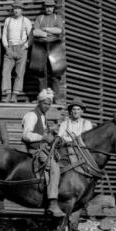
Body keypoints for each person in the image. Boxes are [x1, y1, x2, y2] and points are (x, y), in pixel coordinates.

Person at [21, 88, 65, 217]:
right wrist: (44, 137)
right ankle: (52, 202)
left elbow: (43, 132)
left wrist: (53, 134)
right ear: (39, 102)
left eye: (49, 104)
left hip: (43, 148)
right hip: (35, 150)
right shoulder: (32, 115)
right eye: (45, 103)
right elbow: (26, 135)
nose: (47, 106)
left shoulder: (42, 116)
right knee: (54, 167)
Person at [33, 0, 65, 102]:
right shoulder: (40, 18)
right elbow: (35, 32)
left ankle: (56, 98)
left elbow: (59, 30)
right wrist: (50, 33)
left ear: (53, 8)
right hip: (41, 45)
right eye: (47, 7)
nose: (49, 9)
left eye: (51, 7)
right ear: (44, 8)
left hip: (55, 46)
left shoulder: (57, 18)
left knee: (56, 73)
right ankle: (43, 98)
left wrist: (46, 29)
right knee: (41, 72)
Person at [1, 0, 32, 103]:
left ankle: (15, 95)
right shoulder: (8, 20)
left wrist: (25, 46)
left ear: (22, 10)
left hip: (21, 48)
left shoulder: (26, 21)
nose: (16, 11)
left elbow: (31, 36)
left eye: (18, 9)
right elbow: (4, 35)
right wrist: (6, 47)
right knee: (6, 72)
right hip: (9, 47)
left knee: (19, 73)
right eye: (15, 9)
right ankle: (7, 94)